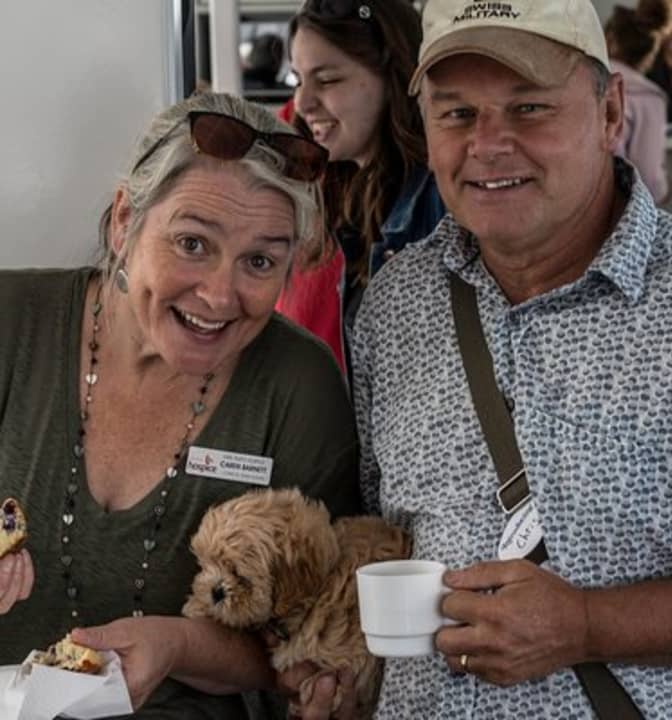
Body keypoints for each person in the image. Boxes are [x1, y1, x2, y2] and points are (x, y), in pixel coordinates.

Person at [290, 0, 672, 717]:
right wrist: (339, 664)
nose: (487, 145)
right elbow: (382, 530)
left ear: (611, 112)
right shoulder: (395, 303)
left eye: (529, 107)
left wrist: (587, 625)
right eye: (457, 113)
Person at [0, 90, 362, 719]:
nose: (220, 296)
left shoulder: (297, 386)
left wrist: (179, 647)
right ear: (124, 222)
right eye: (192, 244)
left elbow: (317, 645)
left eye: (260, 261)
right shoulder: (12, 324)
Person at [276, 0, 445, 374]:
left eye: (327, 80)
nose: (302, 103)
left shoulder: (443, 200)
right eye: (298, 80)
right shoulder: (320, 189)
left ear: (393, 76)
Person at [605, 5, 670, 203]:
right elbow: (649, 179)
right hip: (617, 206)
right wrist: (666, 189)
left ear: (609, 40)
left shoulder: (581, 81)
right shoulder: (649, 98)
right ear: (651, 53)